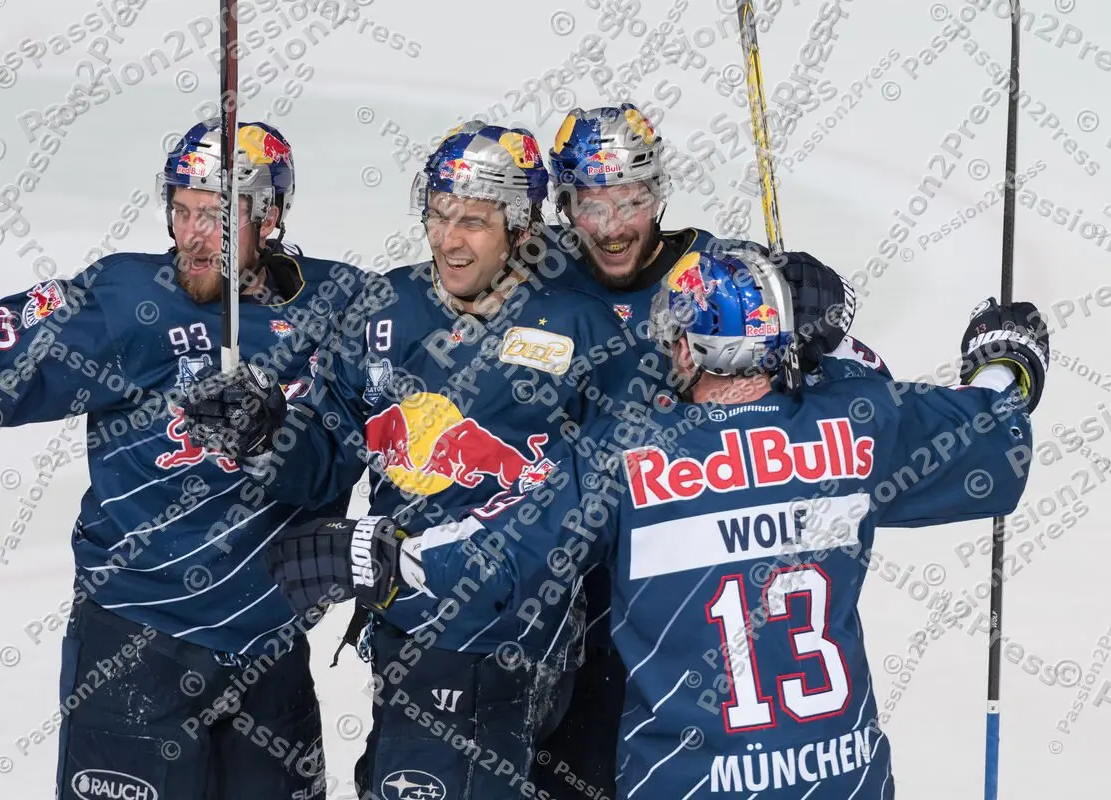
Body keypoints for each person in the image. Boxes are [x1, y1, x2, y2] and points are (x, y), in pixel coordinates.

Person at [280, 247, 1048, 799]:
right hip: (841, 779)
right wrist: (1001, 361)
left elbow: (497, 571)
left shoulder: (628, 455)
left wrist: (385, 558)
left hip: (688, 780)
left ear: (693, 346)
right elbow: (999, 439)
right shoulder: (854, 418)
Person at [179, 120, 652, 800]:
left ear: (522, 228)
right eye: (436, 215)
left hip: (522, 647)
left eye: (473, 223)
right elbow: (324, 455)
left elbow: (632, 488)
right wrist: (265, 433)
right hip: (408, 639)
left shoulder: (584, 330)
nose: (447, 241)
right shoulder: (384, 311)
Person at [0, 120, 358, 800]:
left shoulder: (344, 308)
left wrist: (277, 435)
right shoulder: (128, 303)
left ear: (269, 216)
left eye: (214, 214)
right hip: (136, 650)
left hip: (272, 658)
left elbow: (388, 430)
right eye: (181, 209)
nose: (192, 235)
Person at [535, 102, 881, 798]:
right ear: (563, 205)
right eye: (589, 205)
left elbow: (865, 389)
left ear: (658, 191)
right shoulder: (532, 282)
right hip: (559, 595)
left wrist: (820, 334)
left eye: (630, 200)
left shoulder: (730, 279)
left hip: (689, 602)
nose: (611, 227)